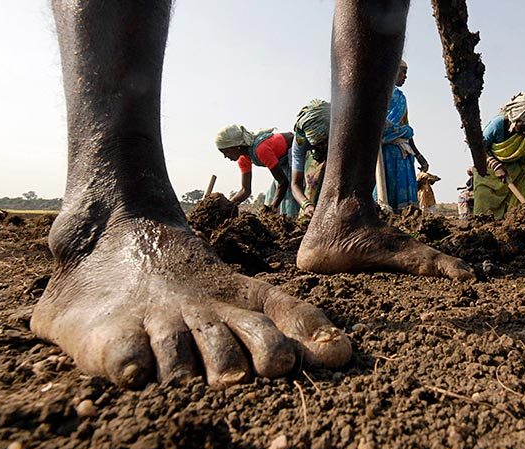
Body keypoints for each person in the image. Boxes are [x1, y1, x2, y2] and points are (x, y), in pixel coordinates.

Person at [31, 0, 476, 390]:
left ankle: (345, 211)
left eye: (227, 153)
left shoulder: (268, 145)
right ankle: (114, 211)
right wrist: (261, 204)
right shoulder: (258, 154)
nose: (228, 159)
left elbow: (286, 175)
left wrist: (302, 200)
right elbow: (269, 184)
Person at [473, 93, 525, 218]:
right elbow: (479, 148)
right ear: (515, 118)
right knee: (484, 204)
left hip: (518, 171)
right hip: (489, 170)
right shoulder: (497, 124)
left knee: (519, 209)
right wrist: (495, 165)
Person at [215, 125, 299, 217]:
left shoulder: (261, 149)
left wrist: (272, 208)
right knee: (270, 199)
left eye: (226, 152)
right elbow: (245, 190)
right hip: (283, 163)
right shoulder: (243, 159)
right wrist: (228, 206)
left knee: (291, 197)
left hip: (297, 151)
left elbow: (283, 182)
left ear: (237, 146)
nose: (225, 156)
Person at [379, 60, 429, 212]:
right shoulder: (382, 94)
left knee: (405, 205)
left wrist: (419, 155)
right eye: (403, 72)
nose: (405, 77)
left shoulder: (401, 98)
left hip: (404, 153)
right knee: (386, 194)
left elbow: (405, 128)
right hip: (387, 153)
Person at [290, 99, 330, 220]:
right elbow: (295, 184)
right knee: (313, 181)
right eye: (319, 143)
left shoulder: (346, 129)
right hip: (316, 158)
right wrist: (306, 205)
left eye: (325, 141)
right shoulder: (301, 141)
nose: (324, 146)